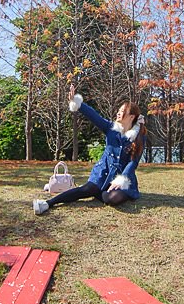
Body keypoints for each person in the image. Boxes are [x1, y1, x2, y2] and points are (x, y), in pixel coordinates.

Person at [33, 85, 146, 214]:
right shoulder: (110, 128)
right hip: (103, 172)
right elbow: (94, 116)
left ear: (131, 117)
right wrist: (77, 103)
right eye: (119, 110)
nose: (118, 113)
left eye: (122, 111)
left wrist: (122, 179)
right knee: (85, 190)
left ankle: (98, 191)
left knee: (113, 198)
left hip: (122, 176)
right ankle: (47, 203)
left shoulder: (139, 136)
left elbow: (133, 162)